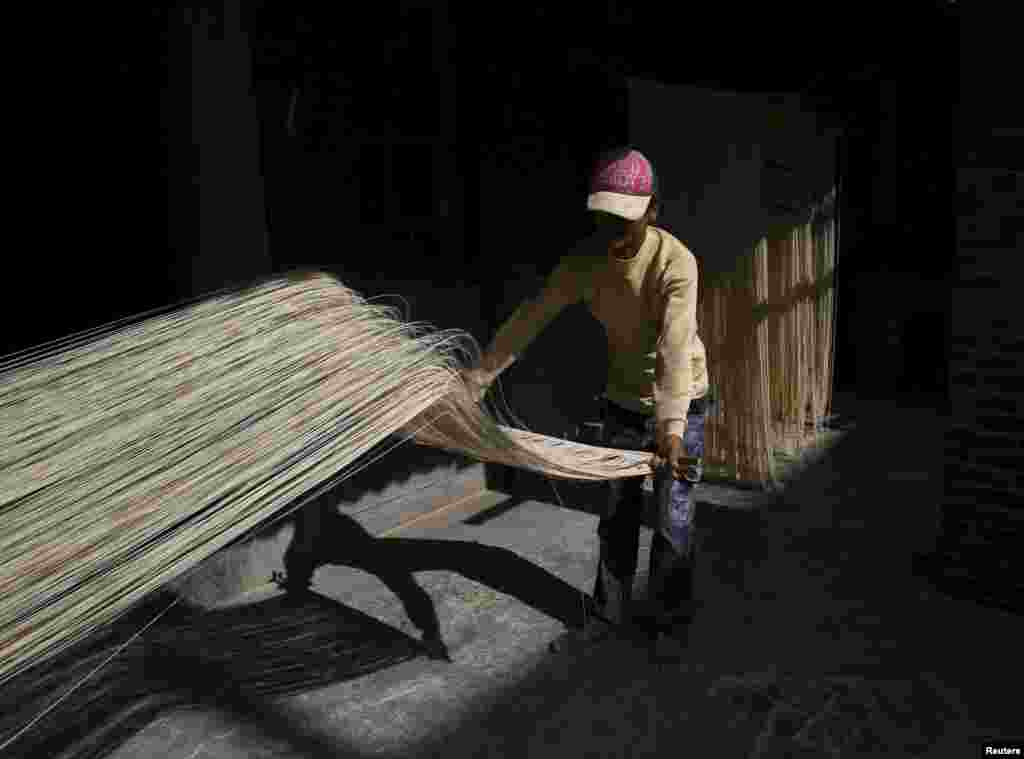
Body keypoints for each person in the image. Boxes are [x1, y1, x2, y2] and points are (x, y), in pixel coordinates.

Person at [463, 147, 711, 655]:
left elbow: (674, 348)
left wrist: (670, 427)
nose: (614, 230)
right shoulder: (584, 264)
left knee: (672, 517)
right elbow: (533, 316)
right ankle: (609, 614)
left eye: (626, 219)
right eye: (605, 218)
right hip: (622, 399)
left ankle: (668, 625)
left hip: (683, 403)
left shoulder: (675, 263)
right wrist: (479, 377)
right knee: (617, 513)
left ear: (653, 210)